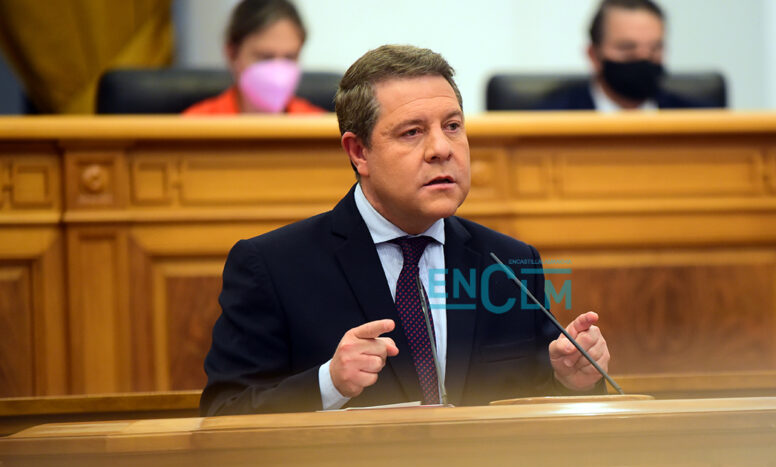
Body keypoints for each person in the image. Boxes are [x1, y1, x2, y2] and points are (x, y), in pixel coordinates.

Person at [201, 44, 610, 415]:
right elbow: (223, 414)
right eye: (412, 132)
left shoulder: (508, 263)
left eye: (452, 126)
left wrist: (571, 381)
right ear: (359, 152)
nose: (441, 149)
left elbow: (530, 407)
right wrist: (329, 383)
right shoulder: (273, 267)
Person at [535, 0, 710, 111]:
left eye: (654, 49)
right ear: (593, 56)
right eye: (627, 48)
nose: (643, 57)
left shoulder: (700, 121)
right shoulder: (548, 121)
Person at [182, 0, 323, 115]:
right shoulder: (195, 126)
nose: (278, 73)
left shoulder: (320, 128)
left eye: (289, 57)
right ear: (232, 54)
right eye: (265, 57)